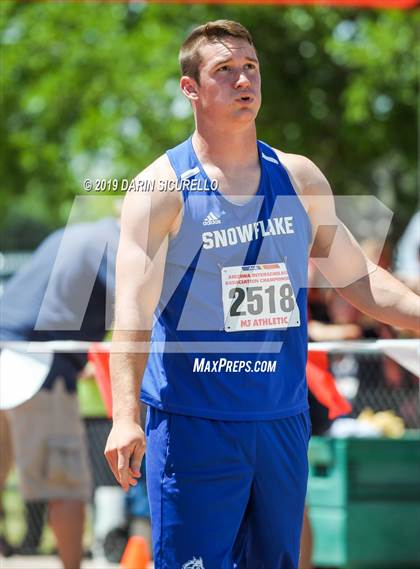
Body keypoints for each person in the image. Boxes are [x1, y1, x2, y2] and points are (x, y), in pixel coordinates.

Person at [104, 21, 420, 568]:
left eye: (250, 68)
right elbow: (131, 310)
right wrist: (126, 416)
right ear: (191, 89)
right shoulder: (160, 190)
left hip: (279, 419)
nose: (243, 79)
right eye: (224, 71)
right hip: (192, 423)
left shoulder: (298, 179)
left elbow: (357, 277)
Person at [0, 216, 119, 569]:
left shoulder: (72, 233)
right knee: (65, 483)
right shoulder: (116, 241)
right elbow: (141, 308)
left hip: (13, 352)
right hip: (35, 367)